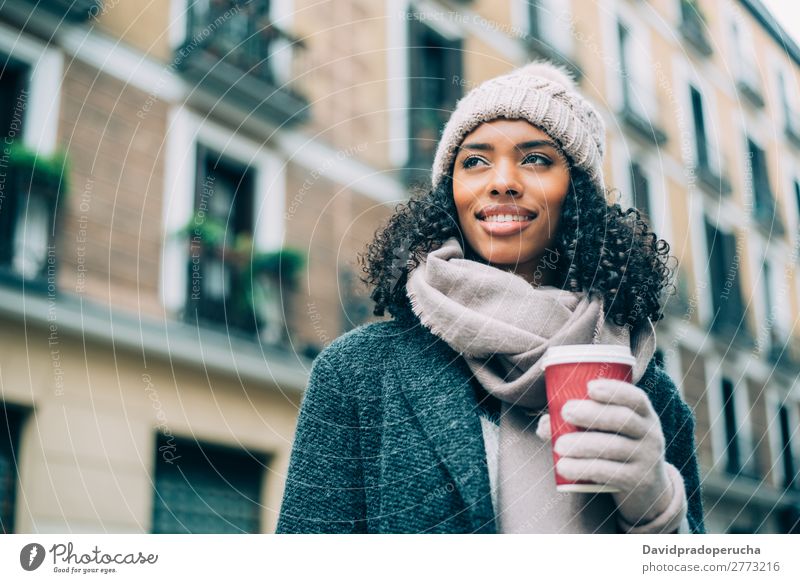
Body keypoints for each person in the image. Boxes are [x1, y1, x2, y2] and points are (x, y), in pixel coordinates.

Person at [276, 61, 705, 534]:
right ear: (451, 193)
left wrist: (658, 508)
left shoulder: (650, 394)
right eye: (475, 161)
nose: (501, 181)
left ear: (577, 194)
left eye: (536, 158)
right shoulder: (358, 373)